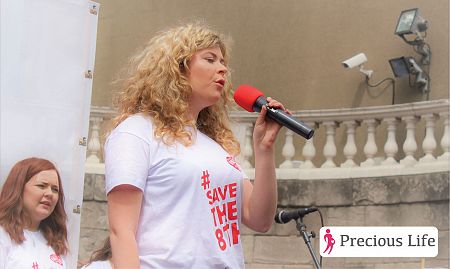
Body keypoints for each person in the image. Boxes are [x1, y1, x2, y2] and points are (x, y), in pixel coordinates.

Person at [105, 22, 286, 269]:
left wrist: (264, 150)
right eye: (210, 59)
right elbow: (121, 231)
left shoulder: (216, 148)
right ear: (177, 68)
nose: (222, 69)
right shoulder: (136, 132)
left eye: (223, 62)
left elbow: (260, 219)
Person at [0, 157, 68, 268]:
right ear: (19, 188)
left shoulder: (56, 241)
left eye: (55, 189)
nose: (49, 193)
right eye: (42, 186)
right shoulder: (3, 235)